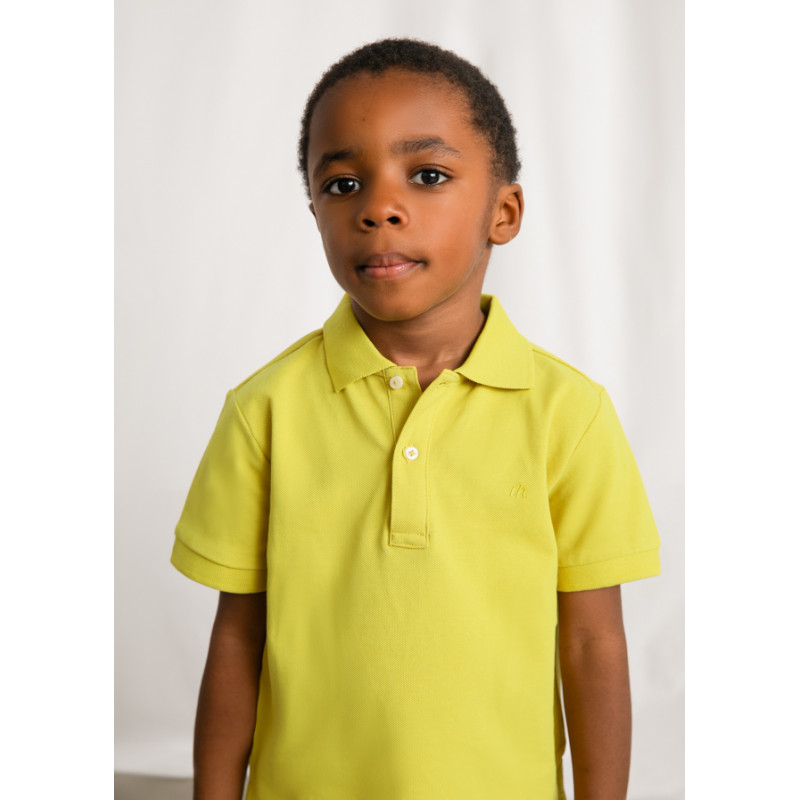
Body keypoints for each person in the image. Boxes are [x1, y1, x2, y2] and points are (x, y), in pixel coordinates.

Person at [171, 38, 661, 800]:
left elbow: (594, 643)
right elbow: (238, 638)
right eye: (342, 184)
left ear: (504, 212)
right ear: (315, 213)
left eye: (427, 175)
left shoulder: (571, 415)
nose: (378, 208)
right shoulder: (262, 411)